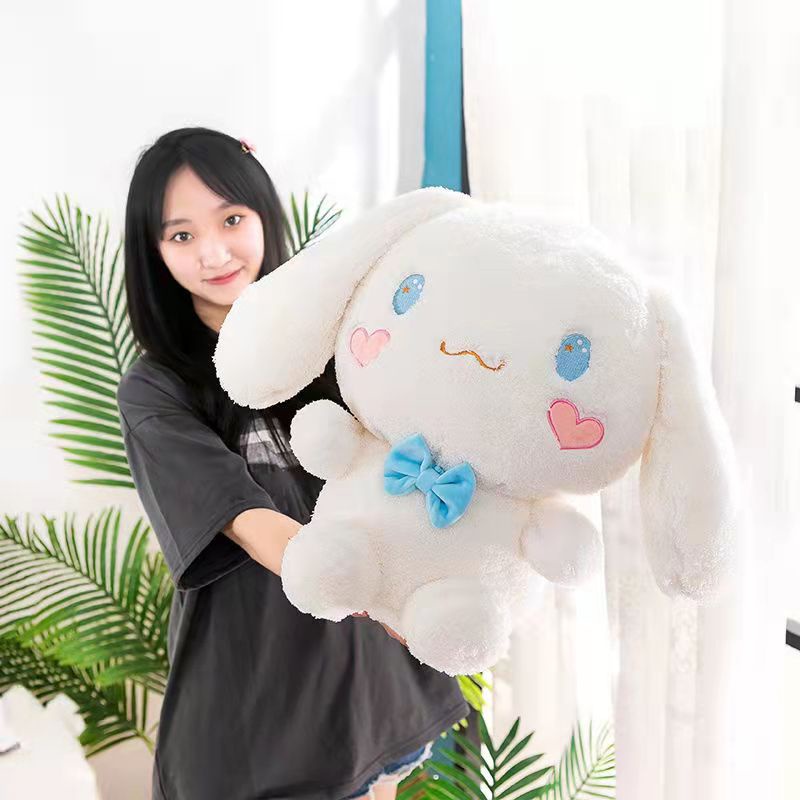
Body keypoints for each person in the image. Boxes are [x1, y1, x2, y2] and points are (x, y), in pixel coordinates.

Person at [116, 127, 469, 800]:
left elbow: (406, 469)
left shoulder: (340, 344)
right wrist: (371, 591)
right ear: (153, 251)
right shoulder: (156, 390)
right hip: (257, 708)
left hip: (372, 686)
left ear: (263, 216)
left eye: (231, 219)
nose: (213, 252)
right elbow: (249, 522)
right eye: (182, 235)